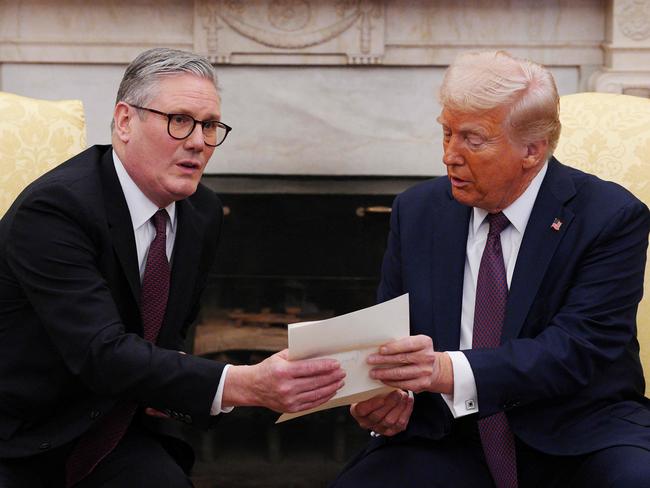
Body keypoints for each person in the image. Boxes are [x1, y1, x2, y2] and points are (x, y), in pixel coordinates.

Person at [0, 47, 345, 488]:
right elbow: (100, 353)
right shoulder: (57, 210)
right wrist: (244, 383)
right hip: (29, 439)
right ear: (125, 121)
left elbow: (170, 336)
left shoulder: (200, 211)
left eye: (209, 125)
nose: (198, 141)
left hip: (120, 426)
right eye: (179, 120)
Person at [332, 50, 650, 488]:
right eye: (446, 133)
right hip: (448, 437)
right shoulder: (418, 210)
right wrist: (385, 395)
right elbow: (391, 336)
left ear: (532, 150)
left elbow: (578, 349)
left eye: (472, 139)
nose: (449, 156)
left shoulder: (609, 217)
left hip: (578, 433)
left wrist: (446, 371)